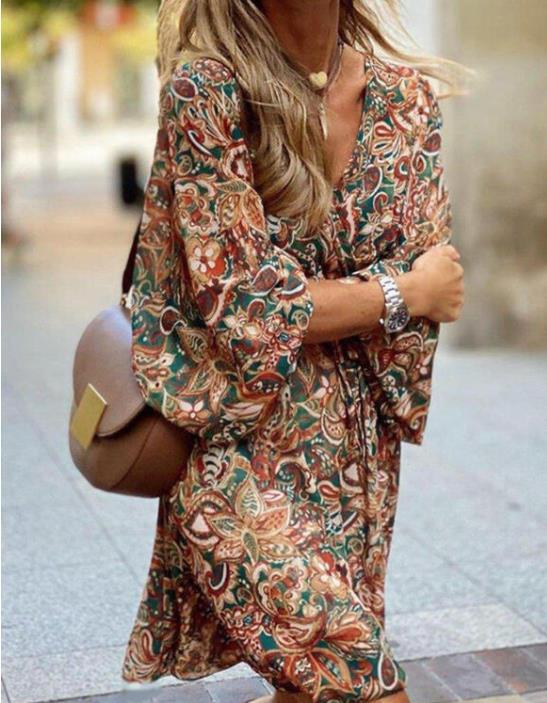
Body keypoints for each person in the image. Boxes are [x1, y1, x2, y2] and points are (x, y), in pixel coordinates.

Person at [121, 1, 467, 701]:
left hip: (357, 455)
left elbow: (439, 277)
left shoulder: (405, 99)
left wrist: (366, 297)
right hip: (233, 449)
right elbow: (244, 304)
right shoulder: (206, 91)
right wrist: (399, 292)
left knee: (307, 687)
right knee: (364, 681)